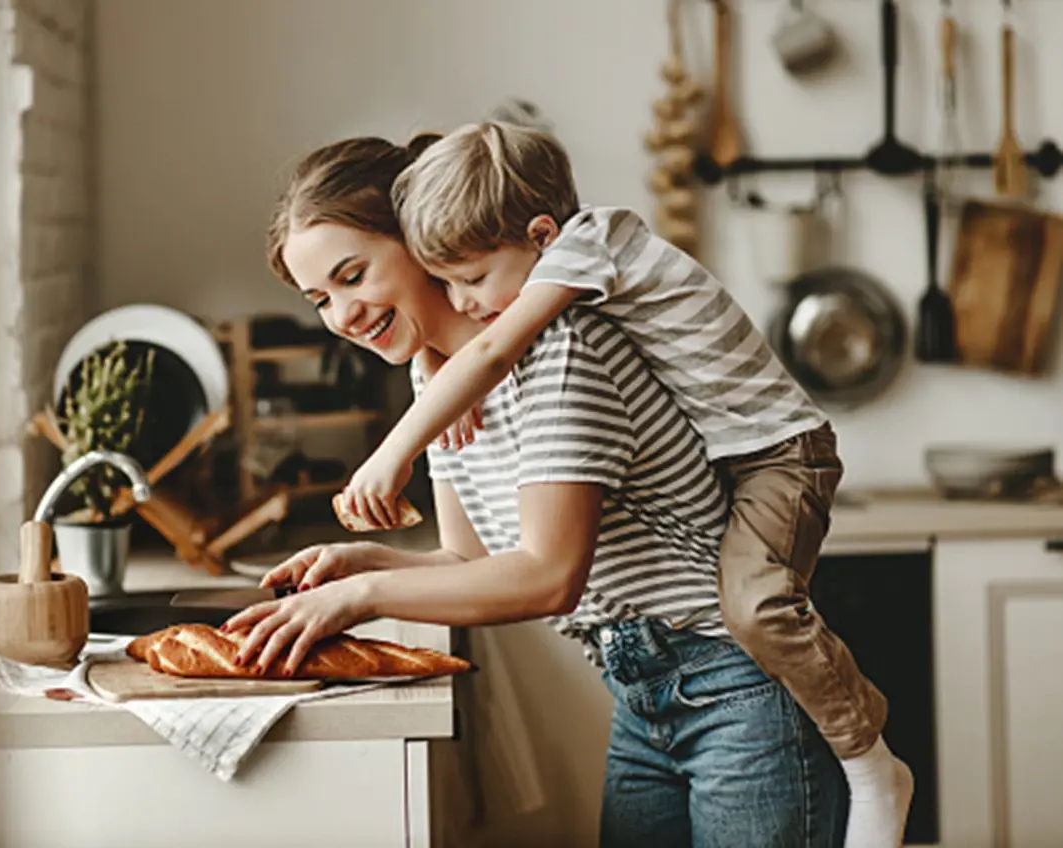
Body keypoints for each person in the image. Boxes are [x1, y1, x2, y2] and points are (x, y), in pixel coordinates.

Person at [223, 135, 848, 846]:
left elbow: (549, 576)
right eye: (320, 299)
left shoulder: (560, 347)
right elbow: (467, 559)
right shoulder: (435, 381)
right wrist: (359, 564)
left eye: (353, 274)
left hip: (736, 687)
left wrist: (358, 600)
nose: (343, 315)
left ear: (416, 236)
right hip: (644, 697)